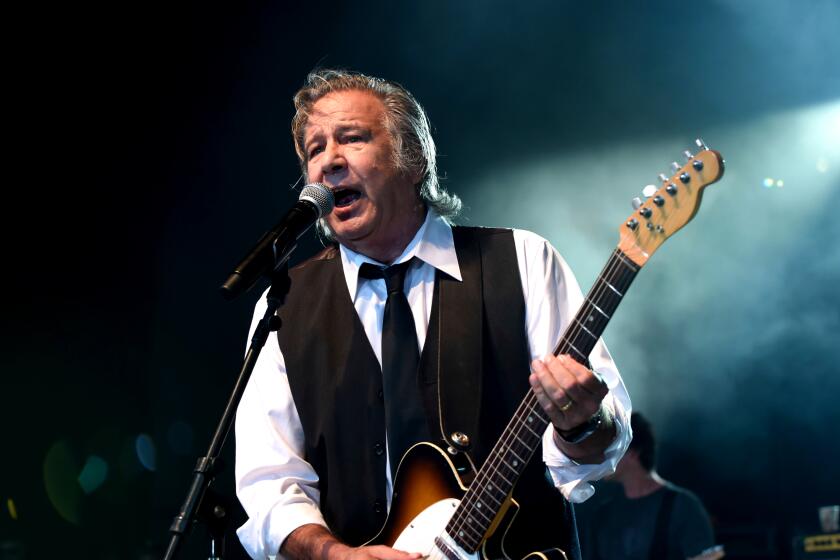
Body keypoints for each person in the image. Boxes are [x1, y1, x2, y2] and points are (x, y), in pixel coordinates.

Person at [234, 68, 632, 560]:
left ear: (414, 158)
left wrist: (583, 423)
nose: (328, 162)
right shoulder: (286, 304)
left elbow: (599, 449)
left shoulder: (522, 261)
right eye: (315, 149)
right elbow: (268, 481)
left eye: (352, 138)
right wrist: (333, 555)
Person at [577, 412, 716, 560]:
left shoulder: (683, 506)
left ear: (633, 452)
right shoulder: (601, 515)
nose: (600, 457)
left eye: (608, 448)